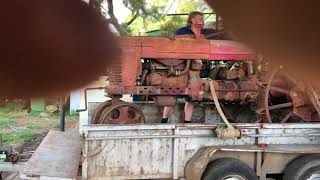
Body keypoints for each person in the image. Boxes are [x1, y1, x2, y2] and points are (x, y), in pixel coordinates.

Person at [161, 11, 205, 124]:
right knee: (173, 93)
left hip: (195, 68)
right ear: (192, 20)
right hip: (181, 67)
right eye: (199, 18)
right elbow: (172, 42)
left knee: (192, 96)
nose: (202, 20)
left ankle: (187, 123)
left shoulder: (203, 34)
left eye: (202, 19)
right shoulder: (182, 31)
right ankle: (164, 121)